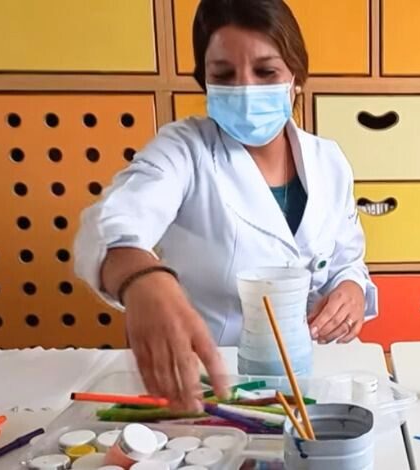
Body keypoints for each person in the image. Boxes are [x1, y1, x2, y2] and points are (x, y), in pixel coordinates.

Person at [74, 0, 377, 411]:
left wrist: (351, 289)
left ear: (296, 78)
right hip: (216, 385)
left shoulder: (328, 161)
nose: (246, 89)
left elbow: (346, 258)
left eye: (266, 72)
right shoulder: (185, 151)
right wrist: (144, 280)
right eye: (224, 75)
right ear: (205, 83)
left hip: (316, 376)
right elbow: (109, 223)